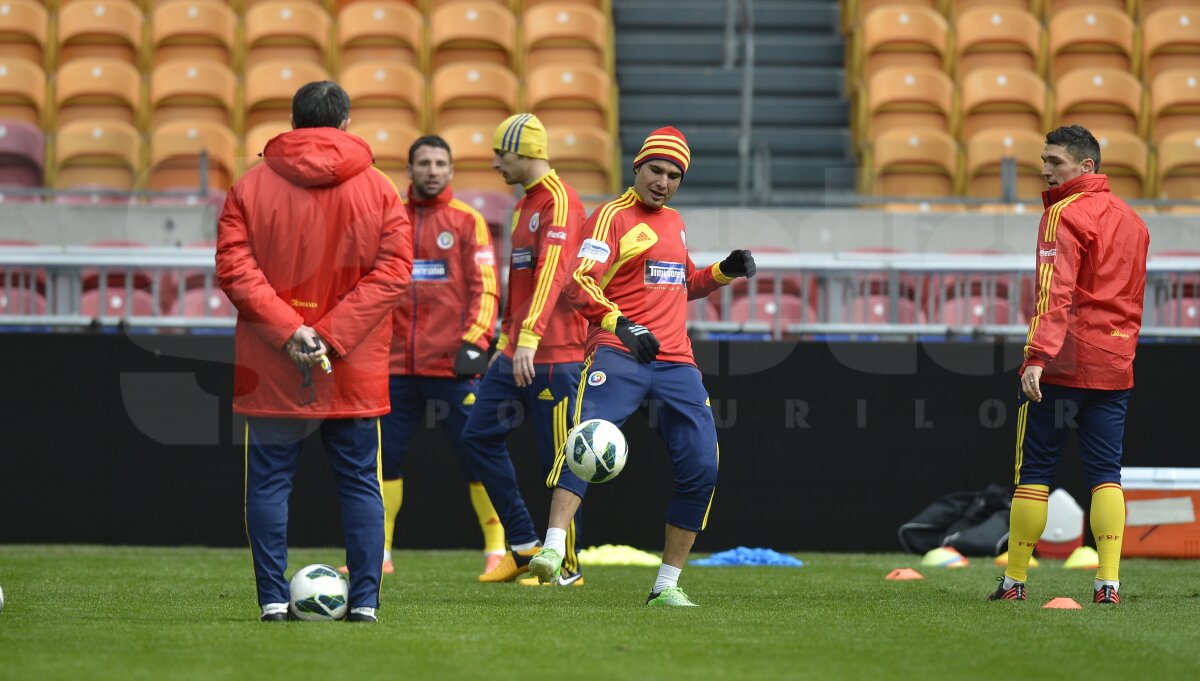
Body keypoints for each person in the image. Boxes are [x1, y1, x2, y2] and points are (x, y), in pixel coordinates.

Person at [526, 126, 757, 606]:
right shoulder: (610, 216)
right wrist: (622, 324)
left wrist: (723, 271)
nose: (663, 182)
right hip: (619, 350)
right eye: (656, 170)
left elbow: (683, 282)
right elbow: (578, 283)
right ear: (637, 166)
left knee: (703, 466)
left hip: (676, 363)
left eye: (674, 175)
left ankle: (666, 586)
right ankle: (552, 549)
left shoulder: (674, 222)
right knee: (588, 439)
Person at [215, 81, 412, 623]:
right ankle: (365, 602)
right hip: (352, 365)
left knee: (269, 484)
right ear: (345, 123)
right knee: (360, 484)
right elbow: (394, 272)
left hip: (273, 365)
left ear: (293, 122)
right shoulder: (380, 189)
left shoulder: (249, 186)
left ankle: (273, 601)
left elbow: (234, 268)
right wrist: (331, 334)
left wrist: (290, 331)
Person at [988, 124, 1148, 605]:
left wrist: (1037, 355)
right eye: (1044, 160)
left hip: (1062, 363)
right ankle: (1108, 584)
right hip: (1115, 363)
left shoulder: (1062, 213)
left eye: (1054, 161)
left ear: (1086, 166)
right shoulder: (1135, 221)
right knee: (1107, 474)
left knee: (1035, 471)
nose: (1045, 170)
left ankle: (1015, 582)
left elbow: (1053, 292)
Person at [336, 135, 504, 577]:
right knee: (382, 459)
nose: (432, 170)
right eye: (424, 163)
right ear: (409, 170)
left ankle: (497, 549)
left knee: (478, 454)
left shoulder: (468, 221)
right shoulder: (390, 217)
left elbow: (486, 286)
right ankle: (379, 553)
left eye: (440, 163)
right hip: (391, 366)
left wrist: (476, 342)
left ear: (451, 170)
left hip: (453, 365)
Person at [460, 113, 590, 586]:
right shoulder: (523, 205)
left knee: (559, 462)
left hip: (556, 356)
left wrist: (529, 338)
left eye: (501, 153)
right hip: (517, 350)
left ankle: (567, 567)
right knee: (477, 437)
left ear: (526, 152)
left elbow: (553, 274)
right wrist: (505, 341)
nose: (495, 163)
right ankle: (524, 544)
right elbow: (520, 284)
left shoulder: (560, 201)